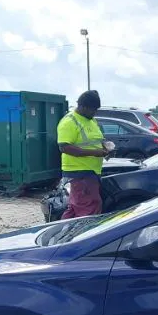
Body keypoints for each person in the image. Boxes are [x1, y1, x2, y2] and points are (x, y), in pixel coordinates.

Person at [57, 90, 108, 219]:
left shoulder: (91, 121)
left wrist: (105, 148)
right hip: (80, 173)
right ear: (83, 107)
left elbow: (96, 140)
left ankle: (61, 234)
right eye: (93, 109)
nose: (94, 113)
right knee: (89, 209)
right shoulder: (69, 122)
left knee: (75, 209)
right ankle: (86, 238)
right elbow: (64, 147)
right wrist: (96, 153)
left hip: (90, 172)